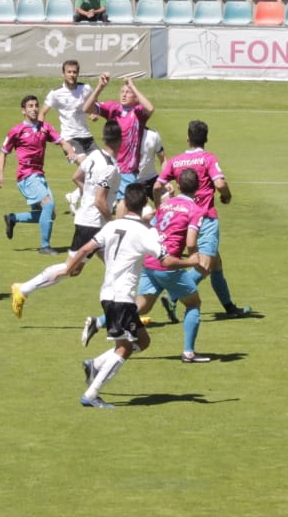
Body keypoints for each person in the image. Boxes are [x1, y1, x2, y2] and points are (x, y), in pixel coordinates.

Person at [70, 184, 197, 408]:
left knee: (144, 341)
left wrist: (68, 267)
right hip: (122, 297)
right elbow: (165, 261)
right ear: (144, 205)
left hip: (108, 292)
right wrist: (191, 261)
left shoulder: (112, 226)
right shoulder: (146, 232)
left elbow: (86, 247)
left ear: (125, 203)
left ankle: (95, 364)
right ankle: (91, 394)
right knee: (125, 347)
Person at [9, 121, 121, 318]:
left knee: (110, 266)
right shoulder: (111, 167)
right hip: (94, 225)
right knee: (76, 268)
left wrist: (86, 196)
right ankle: (24, 289)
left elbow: (77, 178)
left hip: (86, 219)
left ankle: (125, 313)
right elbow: (100, 201)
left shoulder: (95, 155)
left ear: (104, 137)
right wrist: (113, 222)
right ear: (121, 141)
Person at [155, 119, 250, 319]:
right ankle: (173, 296)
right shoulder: (208, 158)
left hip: (183, 218)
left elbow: (157, 186)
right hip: (204, 219)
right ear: (206, 138)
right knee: (204, 265)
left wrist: (159, 206)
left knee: (216, 264)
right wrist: (227, 196)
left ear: (188, 137)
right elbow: (220, 183)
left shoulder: (175, 161)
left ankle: (230, 308)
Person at [137, 167, 211, 362]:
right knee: (194, 303)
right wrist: (194, 260)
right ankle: (189, 352)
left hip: (150, 260)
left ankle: (98, 321)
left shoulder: (166, 204)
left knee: (141, 307)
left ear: (178, 185)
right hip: (168, 265)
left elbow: (151, 225)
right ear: (199, 187)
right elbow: (191, 242)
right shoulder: (195, 210)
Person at [0, 94, 79, 254]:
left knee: (49, 214)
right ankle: (45, 246)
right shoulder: (17, 130)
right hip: (26, 176)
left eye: (36, 105)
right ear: (23, 111)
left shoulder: (45, 127)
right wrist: (0, 174)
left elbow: (62, 142)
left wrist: (69, 151)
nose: (34, 109)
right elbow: (3, 153)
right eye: (30, 106)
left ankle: (13, 218)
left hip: (39, 176)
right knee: (48, 204)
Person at [82, 73, 153, 200]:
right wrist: (100, 87)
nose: (124, 94)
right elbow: (86, 108)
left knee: (127, 205)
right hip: (110, 166)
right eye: (122, 91)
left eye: (128, 92)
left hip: (128, 169)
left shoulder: (138, 112)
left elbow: (150, 108)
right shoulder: (112, 108)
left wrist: (132, 85)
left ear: (136, 97)